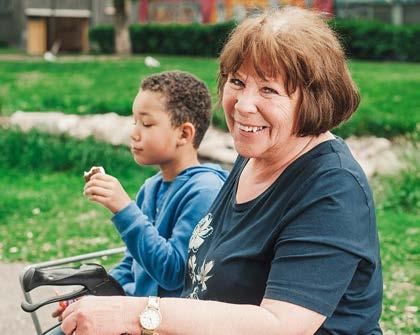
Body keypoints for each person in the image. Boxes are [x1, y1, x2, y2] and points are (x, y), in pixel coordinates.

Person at [59, 7, 383, 335]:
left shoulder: (333, 191)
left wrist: (138, 314)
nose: (243, 104)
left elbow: (281, 325)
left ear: (314, 99)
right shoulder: (256, 155)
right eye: (237, 82)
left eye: (268, 90)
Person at [50, 71, 228, 325]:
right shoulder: (151, 187)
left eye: (146, 124)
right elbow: (134, 263)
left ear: (184, 134)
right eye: (134, 122)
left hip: (163, 322)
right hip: (135, 311)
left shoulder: (204, 191)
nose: (134, 133)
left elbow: (173, 273)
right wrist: (91, 295)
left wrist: (124, 209)